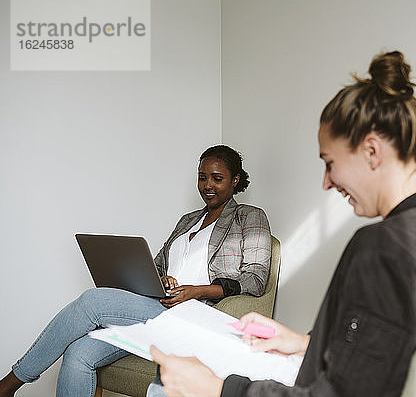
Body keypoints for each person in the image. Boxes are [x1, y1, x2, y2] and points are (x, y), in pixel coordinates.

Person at [148, 50, 416, 397]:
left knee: (165, 386)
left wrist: (220, 389)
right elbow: (386, 351)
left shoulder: (383, 248)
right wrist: (303, 342)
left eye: (330, 162)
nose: (327, 182)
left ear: (371, 151)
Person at [0, 145, 272, 397]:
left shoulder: (248, 216)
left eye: (217, 178)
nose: (207, 185)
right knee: (78, 353)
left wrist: (196, 291)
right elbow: (156, 265)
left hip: (194, 315)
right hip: (158, 307)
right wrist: (160, 279)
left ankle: (11, 383)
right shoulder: (188, 220)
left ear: (235, 180)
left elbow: (256, 278)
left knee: (93, 301)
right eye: (202, 177)